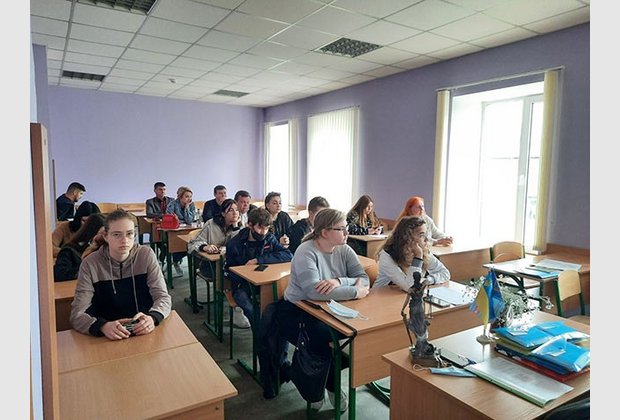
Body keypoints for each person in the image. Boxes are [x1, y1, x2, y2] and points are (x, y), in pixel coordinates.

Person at [278, 208, 370, 412]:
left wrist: (338, 281)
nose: (347, 232)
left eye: (346, 228)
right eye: (341, 229)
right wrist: (355, 291)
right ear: (325, 232)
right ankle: (327, 386)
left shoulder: (344, 249)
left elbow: (363, 278)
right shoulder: (306, 251)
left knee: (353, 338)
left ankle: (321, 383)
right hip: (297, 310)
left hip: (332, 308)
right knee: (326, 341)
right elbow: (313, 292)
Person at [70, 209, 172, 340]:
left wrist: (152, 318)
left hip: (143, 332)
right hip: (108, 337)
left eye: (129, 234)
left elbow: (163, 297)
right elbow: (77, 315)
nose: (124, 240)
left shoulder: (146, 255)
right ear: (106, 236)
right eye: (117, 234)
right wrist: (102, 326)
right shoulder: (90, 264)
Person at [225, 207, 293, 329]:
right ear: (250, 225)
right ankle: (260, 335)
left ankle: (270, 333)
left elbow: (288, 255)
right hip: (242, 285)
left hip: (265, 282)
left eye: (266, 228)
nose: (263, 232)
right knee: (252, 310)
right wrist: (246, 274)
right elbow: (229, 270)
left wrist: (258, 260)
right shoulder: (234, 243)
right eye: (260, 228)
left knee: (280, 305)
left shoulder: (269, 238)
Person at [373, 216, 450, 291]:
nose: (427, 239)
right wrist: (418, 257)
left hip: (405, 296)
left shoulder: (423, 250)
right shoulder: (387, 255)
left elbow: (445, 273)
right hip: (381, 296)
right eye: (422, 235)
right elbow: (410, 286)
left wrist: (429, 280)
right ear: (407, 238)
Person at [188, 198, 241, 276]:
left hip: (229, 262)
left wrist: (235, 227)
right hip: (210, 264)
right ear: (223, 213)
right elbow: (193, 244)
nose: (235, 213)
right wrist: (205, 247)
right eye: (231, 210)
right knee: (230, 275)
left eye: (237, 210)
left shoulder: (239, 226)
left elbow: (238, 246)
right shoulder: (211, 224)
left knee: (238, 273)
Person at [54, 213, 106, 282]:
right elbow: (61, 276)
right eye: (101, 234)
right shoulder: (69, 251)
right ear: (92, 233)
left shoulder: (103, 250)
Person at [166, 186, 196, 277]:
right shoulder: (172, 204)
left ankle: (175, 261)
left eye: (190, 196)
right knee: (177, 245)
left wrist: (187, 208)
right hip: (174, 231)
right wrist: (180, 221)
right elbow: (170, 218)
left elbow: (189, 220)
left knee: (189, 245)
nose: (189, 199)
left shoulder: (191, 205)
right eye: (186, 196)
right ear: (180, 197)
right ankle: (175, 261)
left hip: (187, 230)